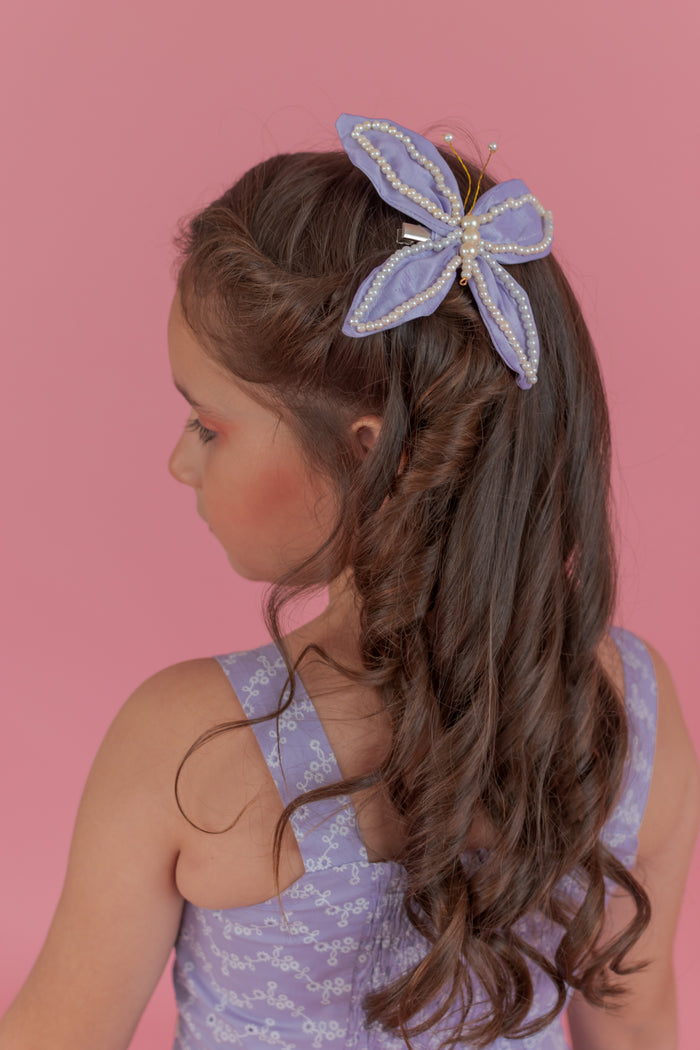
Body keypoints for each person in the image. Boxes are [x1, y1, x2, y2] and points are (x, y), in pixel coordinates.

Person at [0, 114, 697, 1050]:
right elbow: (639, 1024)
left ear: (371, 454)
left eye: (209, 426)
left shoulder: (191, 745)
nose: (181, 461)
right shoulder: (628, 712)